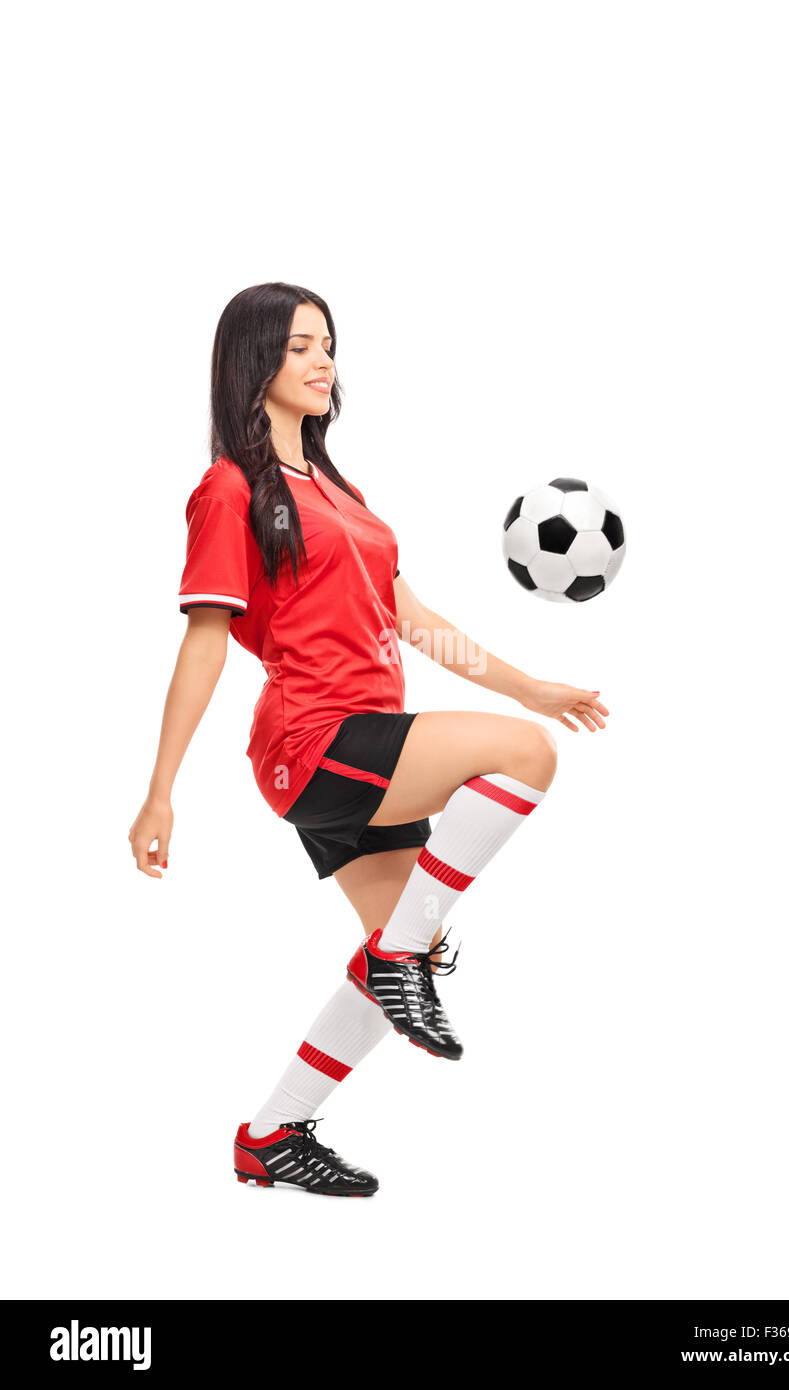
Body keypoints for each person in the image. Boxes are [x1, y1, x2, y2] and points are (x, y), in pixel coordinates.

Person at [128, 282, 609, 1197]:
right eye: (300, 345)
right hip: (312, 738)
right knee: (524, 759)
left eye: (328, 346)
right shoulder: (229, 491)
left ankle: (270, 1134)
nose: (322, 362)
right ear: (252, 361)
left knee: (404, 948)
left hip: (368, 734)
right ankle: (399, 961)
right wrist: (161, 791)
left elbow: (414, 620)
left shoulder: (337, 489)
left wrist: (532, 686)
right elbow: (202, 641)